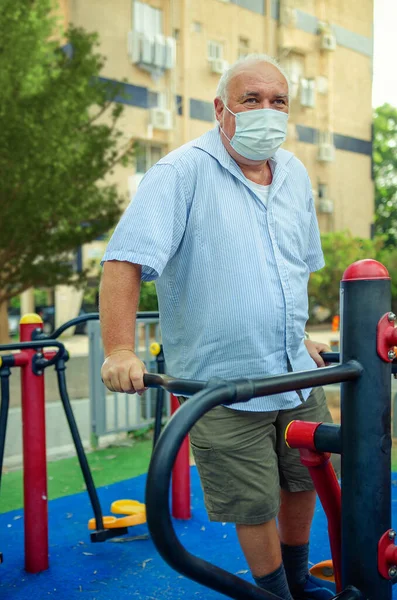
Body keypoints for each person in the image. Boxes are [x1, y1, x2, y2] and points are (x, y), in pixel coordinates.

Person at [100, 54, 335, 600]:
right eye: (251, 100)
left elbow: (290, 268)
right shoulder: (181, 173)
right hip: (223, 382)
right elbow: (124, 261)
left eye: (278, 101)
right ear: (221, 108)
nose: (266, 112)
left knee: (306, 478)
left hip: (296, 373)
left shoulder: (295, 173)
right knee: (252, 501)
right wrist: (117, 349)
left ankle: (299, 581)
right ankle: (272, 592)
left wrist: (298, 336)